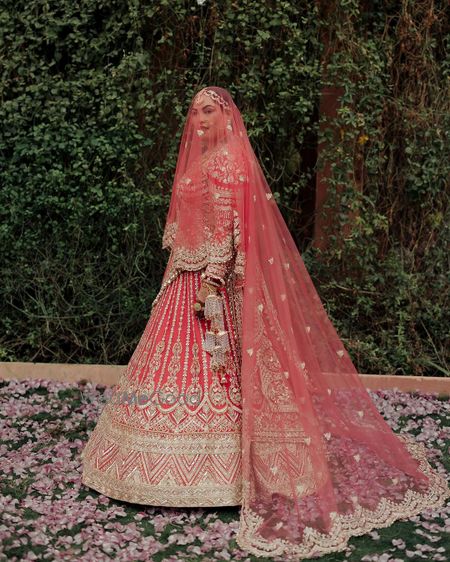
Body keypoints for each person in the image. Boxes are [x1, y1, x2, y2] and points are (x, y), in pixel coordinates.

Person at [81, 86, 449, 559]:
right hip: (184, 278)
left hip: (213, 287)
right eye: (194, 111)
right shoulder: (203, 159)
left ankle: (230, 470)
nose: (199, 119)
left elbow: (229, 227)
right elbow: (188, 227)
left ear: (226, 116)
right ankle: (154, 464)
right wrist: (181, 275)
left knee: (225, 373)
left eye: (208, 111)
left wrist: (211, 282)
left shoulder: (230, 159)